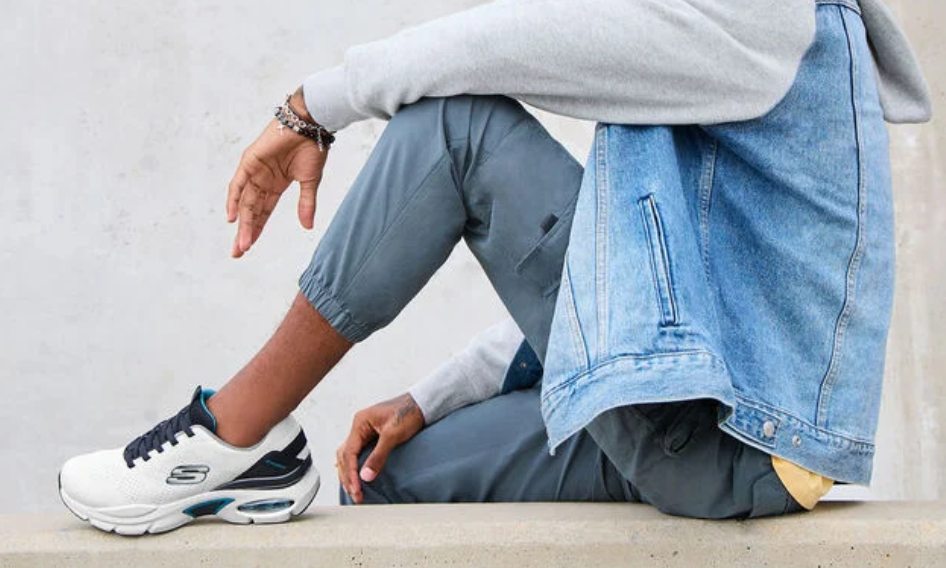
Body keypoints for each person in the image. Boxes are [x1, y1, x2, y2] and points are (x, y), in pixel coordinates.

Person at [58, 0, 930, 534]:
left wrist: (313, 106)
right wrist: (430, 397)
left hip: (733, 438)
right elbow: (626, 272)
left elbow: (501, 46)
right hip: (699, 417)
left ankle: (236, 438)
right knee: (386, 478)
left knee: (455, 128)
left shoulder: (762, 17)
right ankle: (260, 460)